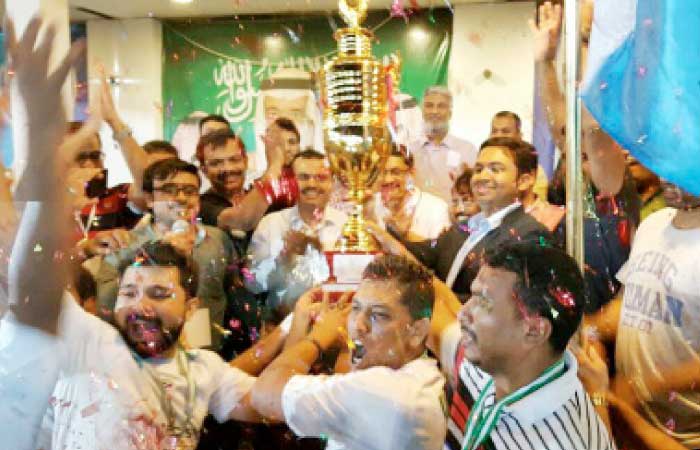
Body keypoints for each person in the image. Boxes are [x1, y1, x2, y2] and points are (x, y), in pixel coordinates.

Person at [430, 241, 615, 450]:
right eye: (473, 296)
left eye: (483, 302)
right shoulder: (486, 368)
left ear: (534, 331)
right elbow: (433, 309)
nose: (463, 312)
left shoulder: (561, 443)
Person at [251, 254, 446, 450]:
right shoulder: (421, 374)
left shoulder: (387, 392)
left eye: (378, 315)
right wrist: (346, 348)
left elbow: (264, 394)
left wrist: (320, 336)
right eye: (355, 308)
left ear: (418, 331)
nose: (358, 325)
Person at [585, 181, 700, 450]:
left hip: (686, 436)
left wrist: (644, 385)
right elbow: (630, 298)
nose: (667, 179)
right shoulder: (654, 223)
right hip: (630, 416)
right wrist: (591, 328)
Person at [373, 137, 551, 301]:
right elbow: (423, 255)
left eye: (496, 169)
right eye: (479, 169)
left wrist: (439, 301)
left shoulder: (529, 234)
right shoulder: (465, 228)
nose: (482, 177)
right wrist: (380, 231)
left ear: (524, 181)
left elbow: (500, 301)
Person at [93, 158, 239, 351]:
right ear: (149, 199)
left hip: (206, 359)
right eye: (169, 190)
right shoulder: (124, 244)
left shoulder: (218, 240)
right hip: (144, 358)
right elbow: (106, 305)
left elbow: (232, 293)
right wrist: (161, 254)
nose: (180, 198)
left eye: (189, 191)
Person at [245, 150, 346, 326]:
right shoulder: (271, 225)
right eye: (304, 177)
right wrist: (283, 258)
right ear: (290, 183)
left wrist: (320, 251)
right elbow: (252, 284)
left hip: (335, 326)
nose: (312, 184)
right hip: (282, 326)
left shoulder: (346, 225)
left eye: (321, 178)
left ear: (332, 183)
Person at [196, 129, 285, 234]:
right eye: (216, 163)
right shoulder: (202, 205)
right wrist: (274, 165)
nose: (228, 169)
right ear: (204, 170)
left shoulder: (259, 197)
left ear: (246, 161)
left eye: (234, 160)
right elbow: (242, 221)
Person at [408, 86, 478, 203]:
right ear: (422, 111)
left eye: (441, 106)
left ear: (450, 113)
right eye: (429, 106)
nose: (434, 111)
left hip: (454, 217)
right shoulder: (409, 150)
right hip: (416, 217)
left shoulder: (467, 150)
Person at [369, 147, 450, 240]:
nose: (388, 179)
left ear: (411, 173)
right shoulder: (369, 205)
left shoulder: (436, 208)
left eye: (396, 172)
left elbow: (439, 252)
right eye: (381, 172)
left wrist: (405, 235)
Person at [489, 110, 550, 201]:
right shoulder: (483, 167)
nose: (498, 136)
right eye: (494, 131)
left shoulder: (533, 172)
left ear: (519, 135)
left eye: (505, 131)